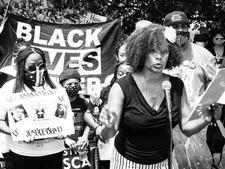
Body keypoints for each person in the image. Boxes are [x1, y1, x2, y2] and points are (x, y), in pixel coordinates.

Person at [96, 24, 218, 169]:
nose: (159, 57)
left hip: (163, 163)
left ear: (171, 54)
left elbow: (186, 126)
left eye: (164, 52)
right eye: (152, 51)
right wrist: (108, 126)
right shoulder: (123, 87)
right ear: (141, 52)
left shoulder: (176, 86)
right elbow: (109, 133)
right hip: (126, 162)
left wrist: (206, 118)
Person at [163, 11, 220, 168]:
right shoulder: (160, 55)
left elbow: (218, 84)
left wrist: (213, 107)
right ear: (166, 29)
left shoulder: (204, 55)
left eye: (184, 26)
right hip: (167, 125)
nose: (180, 30)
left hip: (198, 124)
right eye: (175, 26)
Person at [0, 46, 65, 169]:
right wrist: (17, 133)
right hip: (21, 155)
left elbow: (64, 115)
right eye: (31, 68)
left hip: (53, 153)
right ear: (21, 67)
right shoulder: (9, 89)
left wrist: (63, 129)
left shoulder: (55, 87)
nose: (37, 71)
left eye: (41, 66)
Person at [84, 61, 134, 169]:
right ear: (115, 74)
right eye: (120, 74)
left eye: (129, 74)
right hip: (107, 146)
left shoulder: (140, 94)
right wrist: (97, 128)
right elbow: (87, 114)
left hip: (131, 148)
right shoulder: (105, 92)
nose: (124, 77)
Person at [58, 68, 89, 151]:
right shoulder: (58, 104)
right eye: (69, 84)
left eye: (76, 83)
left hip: (80, 146)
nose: (73, 86)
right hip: (62, 147)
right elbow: (55, 125)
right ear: (62, 86)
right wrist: (65, 139)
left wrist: (84, 137)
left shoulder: (84, 103)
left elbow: (88, 123)